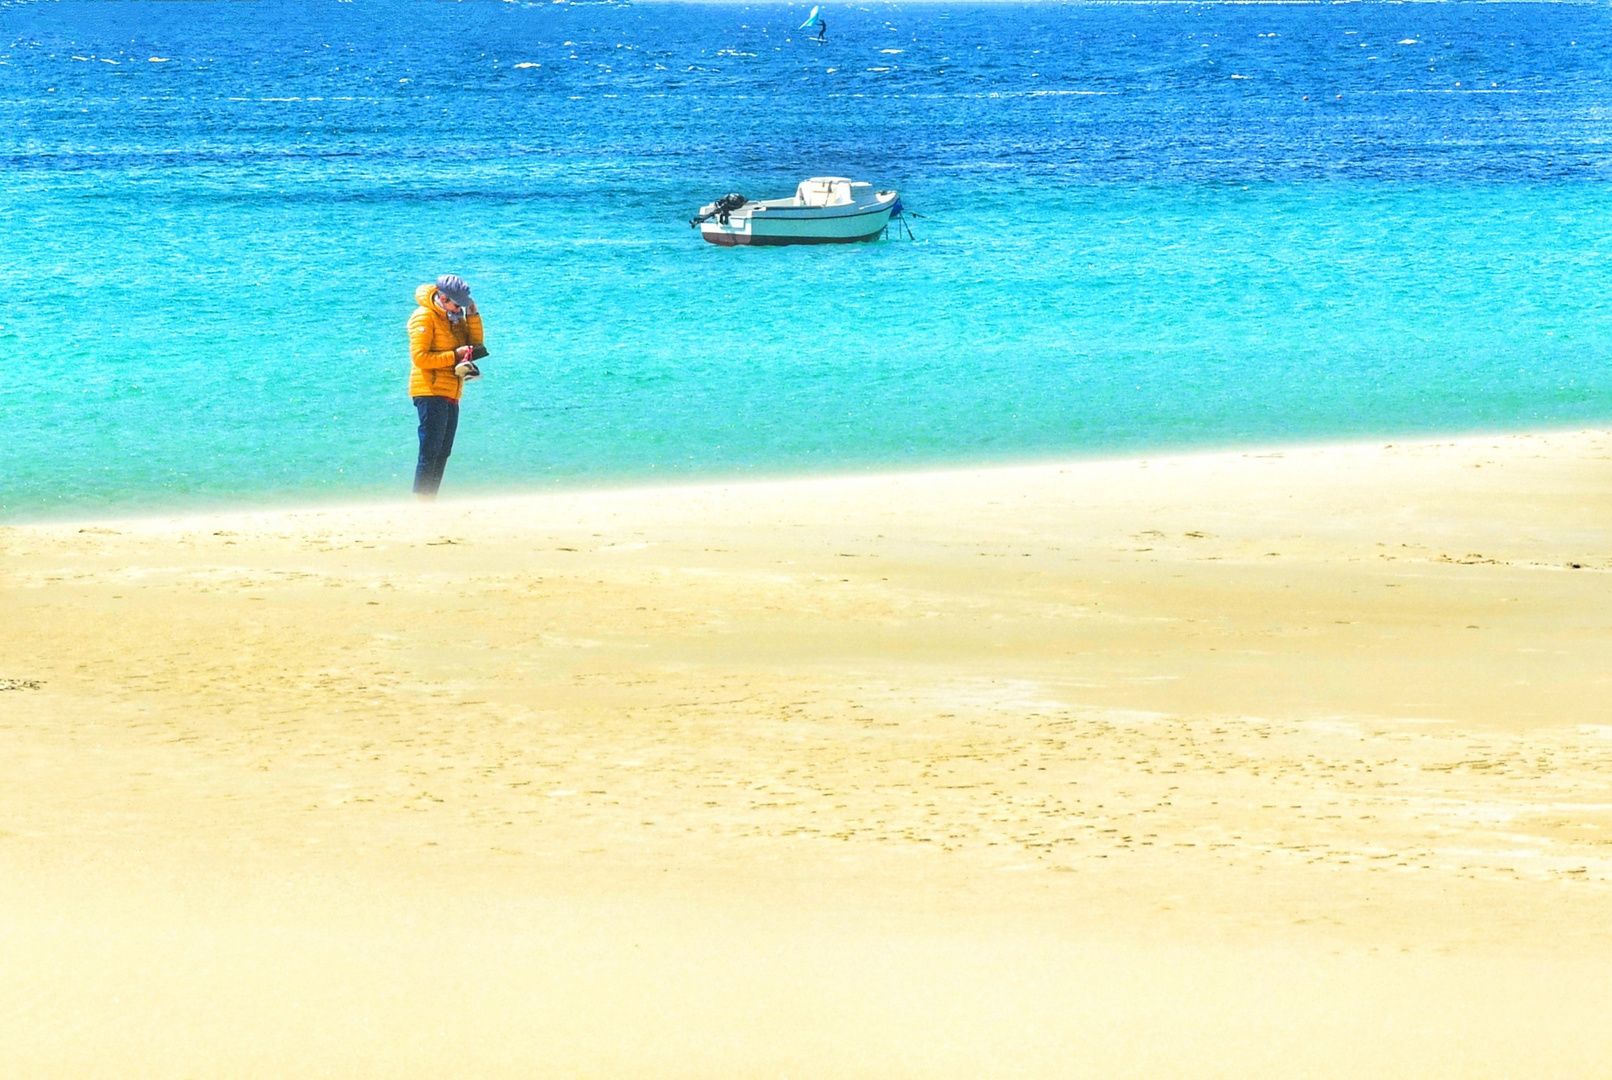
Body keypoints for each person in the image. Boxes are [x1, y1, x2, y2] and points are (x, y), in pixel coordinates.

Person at [408, 274, 484, 500]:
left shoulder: (454, 318)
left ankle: (430, 497)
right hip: (429, 390)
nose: (459, 308)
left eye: (462, 304)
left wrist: (473, 316)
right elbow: (420, 358)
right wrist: (454, 356)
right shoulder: (424, 317)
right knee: (430, 450)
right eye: (456, 303)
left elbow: (476, 345)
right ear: (442, 297)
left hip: (452, 389)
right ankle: (422, 500)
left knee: (443, 451)